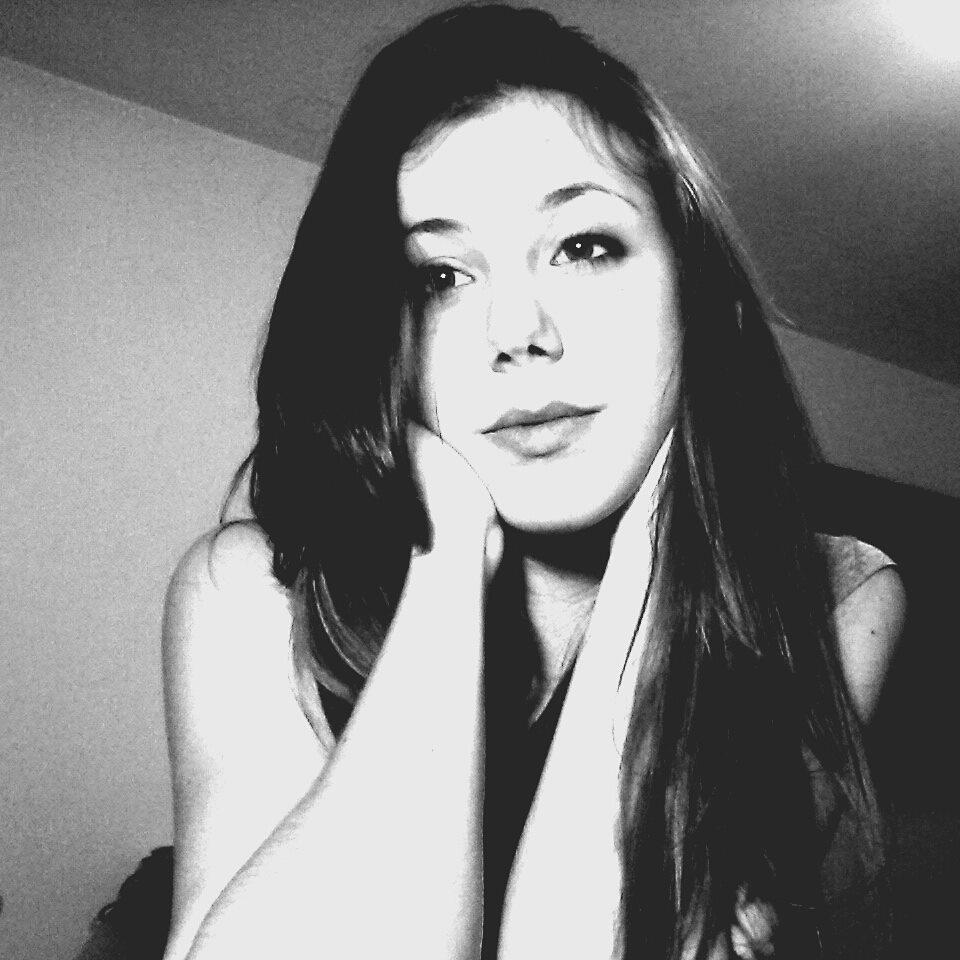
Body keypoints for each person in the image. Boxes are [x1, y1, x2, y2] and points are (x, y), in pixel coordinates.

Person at [159, 5, 906, 959]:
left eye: (583, 246)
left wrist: (654, 563)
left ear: (693, 291)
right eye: (438, 278)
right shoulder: (253, 590)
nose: (517, 331)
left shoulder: (833, 598)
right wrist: (448, 553)